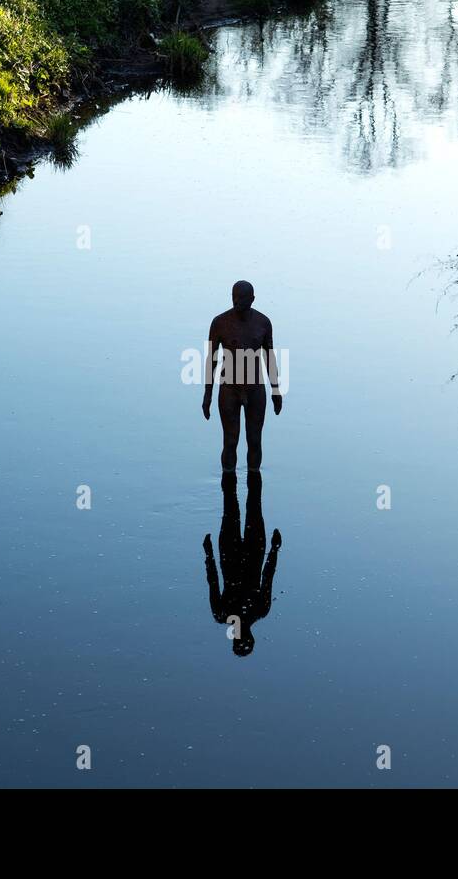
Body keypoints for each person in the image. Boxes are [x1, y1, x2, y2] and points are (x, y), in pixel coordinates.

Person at [201, 280, 282, 473]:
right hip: (229, 389)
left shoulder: (263, 323)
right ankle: (228, 487)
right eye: (233, 298)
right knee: (230, 440)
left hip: (255, 390)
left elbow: (269, 358)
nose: (236, 302)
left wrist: (276, 390)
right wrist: (207, 394)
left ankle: (254, 483)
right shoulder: (220, 323)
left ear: (252, 300)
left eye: (241, 299)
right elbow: (211, 360)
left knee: (255, 440)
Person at [203, 472, 282, 657]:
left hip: (236, 555)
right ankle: (243, 465)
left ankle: (237, 464)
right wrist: (274, 549)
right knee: (243, 501)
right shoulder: (255, 610)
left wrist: (209, 554)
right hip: (244, 554)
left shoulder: (225, 613)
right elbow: (267, 576)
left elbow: (213, 581)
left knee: (240, 501)